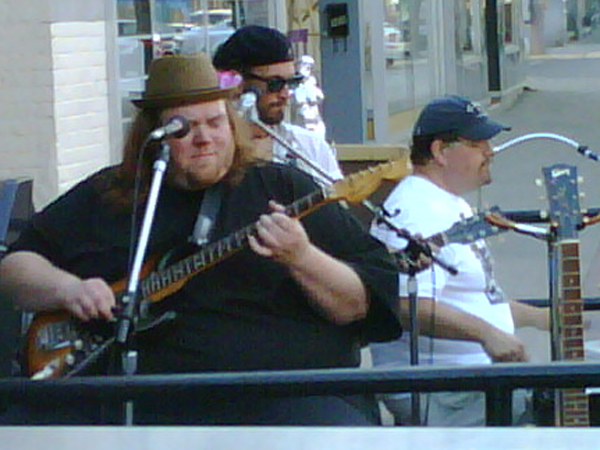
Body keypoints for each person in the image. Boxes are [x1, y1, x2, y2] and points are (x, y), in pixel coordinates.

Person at [0, 54, 401, 426]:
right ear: (153, 137)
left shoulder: (283, 187)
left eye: (215, 122)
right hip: (125, 403)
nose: (204, 138)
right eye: (183, 128)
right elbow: (16, 267)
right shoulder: (110, 194)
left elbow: (361, 304)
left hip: (281, 403)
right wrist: (69, 289)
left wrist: (302, 256)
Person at [368, 95, 549, 426]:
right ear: (440, 151)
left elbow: (471, 297)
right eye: (478, 143)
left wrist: (543, 318)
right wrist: (487, 334)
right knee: (560, 415)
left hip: (470, 384)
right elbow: (408, 306)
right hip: (444, 392)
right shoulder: (416, 211)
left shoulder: (446, 203)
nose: (490, 152)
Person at [213, 25, 343, 183]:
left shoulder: (309, 147)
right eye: (275, 83)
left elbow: (338, 204)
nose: (285, 94)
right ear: (236, 84)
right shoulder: (210, 150)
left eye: (291, 82)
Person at [291, 55, 326, 139]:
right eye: (304, 65)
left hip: (313, 116)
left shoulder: (311, 83)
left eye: (309, 67)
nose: (306, 68)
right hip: (301, 116)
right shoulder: (295, 84)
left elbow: (319, 97)